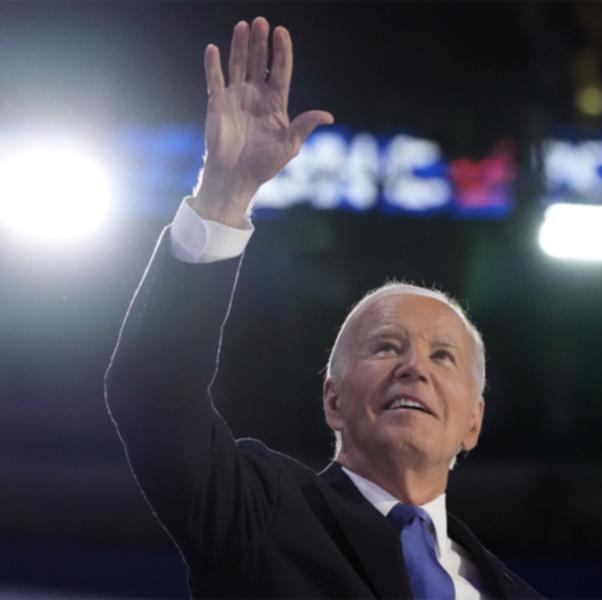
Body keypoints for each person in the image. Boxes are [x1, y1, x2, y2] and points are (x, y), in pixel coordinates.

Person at [105, 16, 542, 599]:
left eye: (443, 356)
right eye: (386, 346)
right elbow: (153, 394)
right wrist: (225, 197)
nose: (414, 366)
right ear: (332, 400)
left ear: (474, 422)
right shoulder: (260, 514)